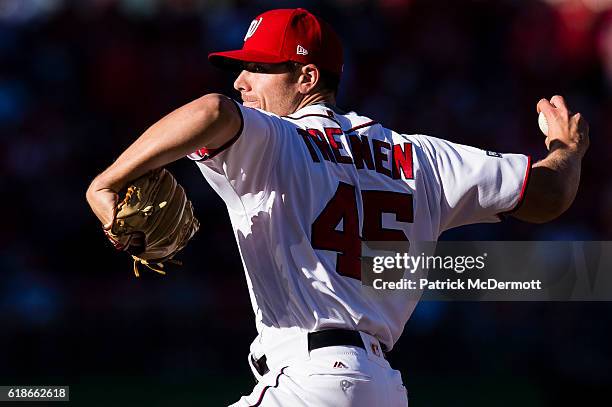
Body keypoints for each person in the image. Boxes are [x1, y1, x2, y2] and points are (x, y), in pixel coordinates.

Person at [86, 8, 589, 407]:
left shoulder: (274, 139)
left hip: (309, 382)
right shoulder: (426, 157)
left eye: (259, 68)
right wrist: (567, 150)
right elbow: (549, 195)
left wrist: (106, 183)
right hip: (383, 387)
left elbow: (212, 111)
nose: (241, 80)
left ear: (306, 77)